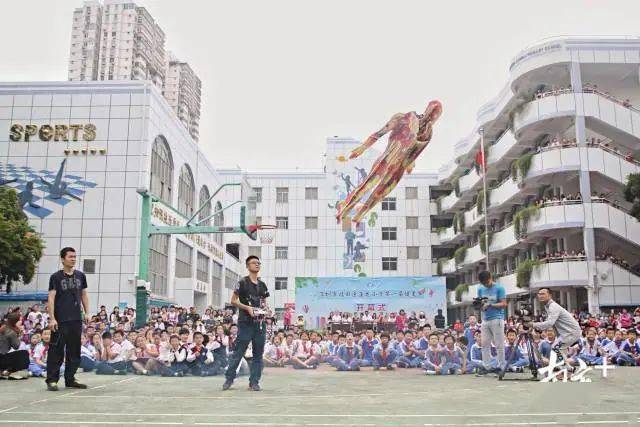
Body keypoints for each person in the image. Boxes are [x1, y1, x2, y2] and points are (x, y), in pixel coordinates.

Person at [223, 255, 270, 391]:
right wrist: (247, 308)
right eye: (253, 263)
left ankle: (254, 382)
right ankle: (229, 379)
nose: (257, 265)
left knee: (258, 355)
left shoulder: (262, 285)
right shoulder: (243, 282)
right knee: (238, 352)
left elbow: (264, 302)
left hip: (260, 323)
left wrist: (265, 310)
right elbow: (233, 300)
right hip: (245, 323)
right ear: (248, 266)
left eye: (258, 263)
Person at [46, 247, 89, 391]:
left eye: (75, 257)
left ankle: (70, 379)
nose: (73, 259)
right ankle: (52, 380)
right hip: (60, 320)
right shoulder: (56, 277)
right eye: (70, 257)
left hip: (76, 320)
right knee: (56, 351)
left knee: (74, 351)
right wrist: (52, 318)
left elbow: (84, 295)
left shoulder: (80, 276)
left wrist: (87, 312)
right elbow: (51, 298)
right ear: (63, 259)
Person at [530, 288, 582, 366]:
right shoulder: (547, 306)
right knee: (559, 350)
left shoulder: (553, 306)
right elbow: (554, 324)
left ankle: (563, 370)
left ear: (550, 295)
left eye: (543, 294)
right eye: (539, 294)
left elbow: (549, 324)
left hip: (571, 332)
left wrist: (532, 324)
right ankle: (568, 369)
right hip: (566, 333)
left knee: (556, 349)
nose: (541, 296)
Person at [477, 271, 506, 374]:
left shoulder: (499, 288)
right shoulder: (480, 289)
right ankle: (487, 366)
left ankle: (501, 366)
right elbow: (480, 304)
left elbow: (504, 304)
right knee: (485, 344)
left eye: (487, 282)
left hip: (497, 318)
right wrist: (480, 306)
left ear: (491, 277)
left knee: (499, 344)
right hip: (485, 319)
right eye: (483, 283)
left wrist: (490, 305)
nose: (486, 284)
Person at [0, 312, 29, 378]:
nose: (21, 322)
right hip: (1, 358)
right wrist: (20, 336)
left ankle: (3, 371)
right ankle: (16, 373)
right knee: (24, 354)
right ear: (16, 321)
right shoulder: (11, 332)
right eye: (20, 320)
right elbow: (16, 346)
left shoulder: (3, 327)